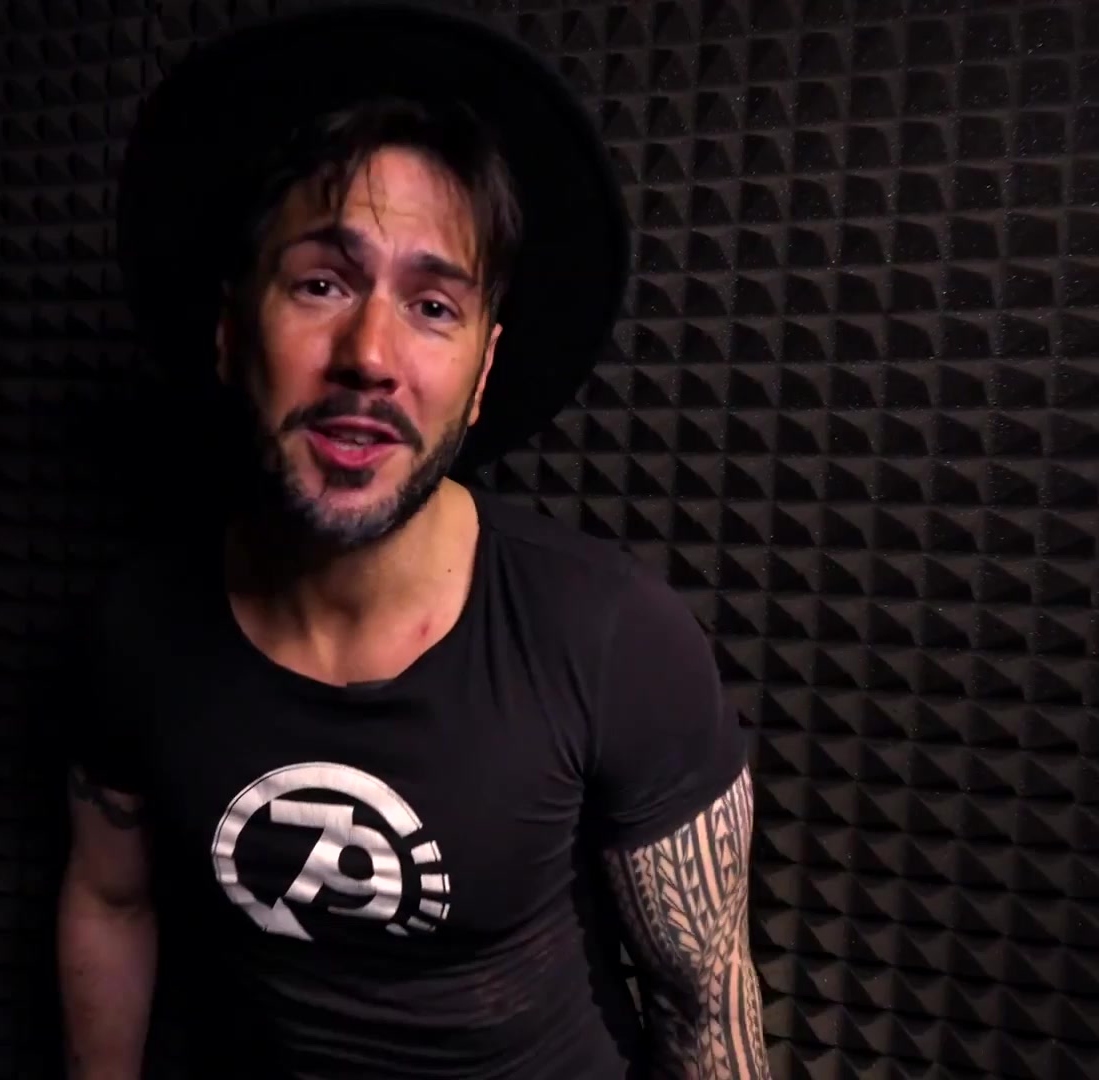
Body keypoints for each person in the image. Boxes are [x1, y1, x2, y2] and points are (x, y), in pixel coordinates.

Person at [57, 6, 767, 1078]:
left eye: (433, 305)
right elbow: (109, 901)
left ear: (481, 377)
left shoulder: (611, 636)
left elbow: (704, 999)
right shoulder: (140, 629)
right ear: (232, 334)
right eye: (322, 283)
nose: (371, 355)